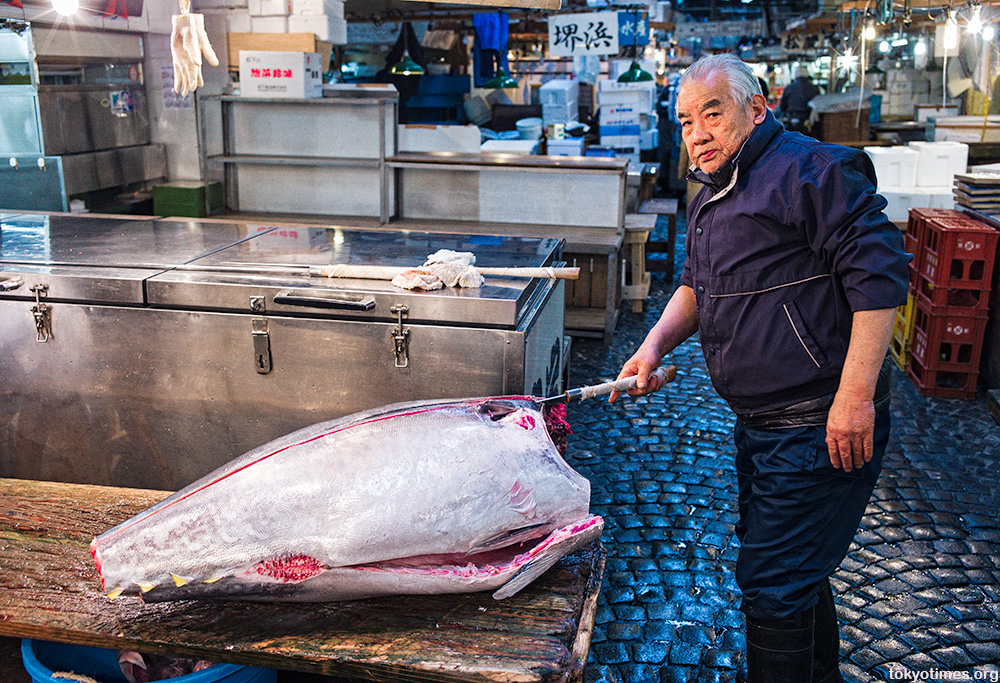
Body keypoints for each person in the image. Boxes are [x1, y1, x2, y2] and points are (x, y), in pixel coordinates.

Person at [609, 54, 910, 682]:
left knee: (771, 582)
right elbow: (698, 282)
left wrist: (854, 397)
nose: (697, 133)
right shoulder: (713, 189)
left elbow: (880, 277)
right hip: (762, 425)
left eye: (712, 114)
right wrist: (654, 345)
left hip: (818, 425)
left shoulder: (811, 169)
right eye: (687, 120)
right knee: (794, 572)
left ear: (758, 106)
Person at [778, 66, 821, 134]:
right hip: (808, 120)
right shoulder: (814, 88)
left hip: (791, 118)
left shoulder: (789, 87)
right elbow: (818, 105)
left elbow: (782, 106)